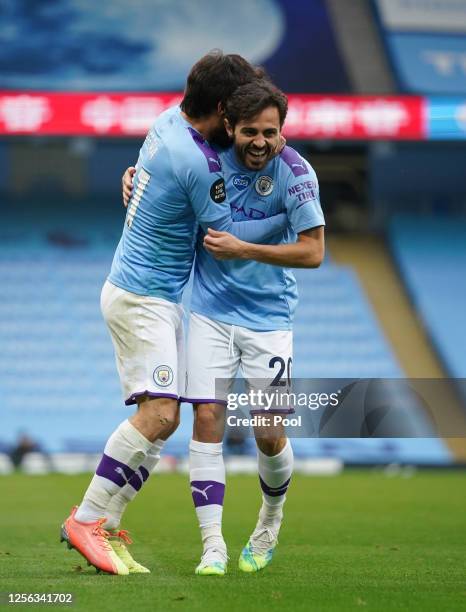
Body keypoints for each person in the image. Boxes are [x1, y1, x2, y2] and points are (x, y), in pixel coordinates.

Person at [60, 51, 288, 576]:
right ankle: (88, 519)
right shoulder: (200, 163)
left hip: (151, 295)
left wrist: (136, 179)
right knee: (160, 414)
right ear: (221, 109)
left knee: (167, 421)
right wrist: (277, 159)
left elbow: (154, 176)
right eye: (239, 114)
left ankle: (105, 525)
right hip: (143, 298)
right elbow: (223, 236)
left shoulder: (168, 119)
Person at [122, 80, 325, 576]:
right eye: (250, 131)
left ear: (282, 131)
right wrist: (130, 175)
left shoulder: (296, 173)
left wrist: (244, 249)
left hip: (270, 321)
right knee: (207, 420)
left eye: (271, 133)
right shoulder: (207, 161)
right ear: (230, 126)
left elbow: (313, 251)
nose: (261, 142)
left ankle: (269, 522)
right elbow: (161, 172)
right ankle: (212, 545)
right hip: (210, 312)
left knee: (269, 433)